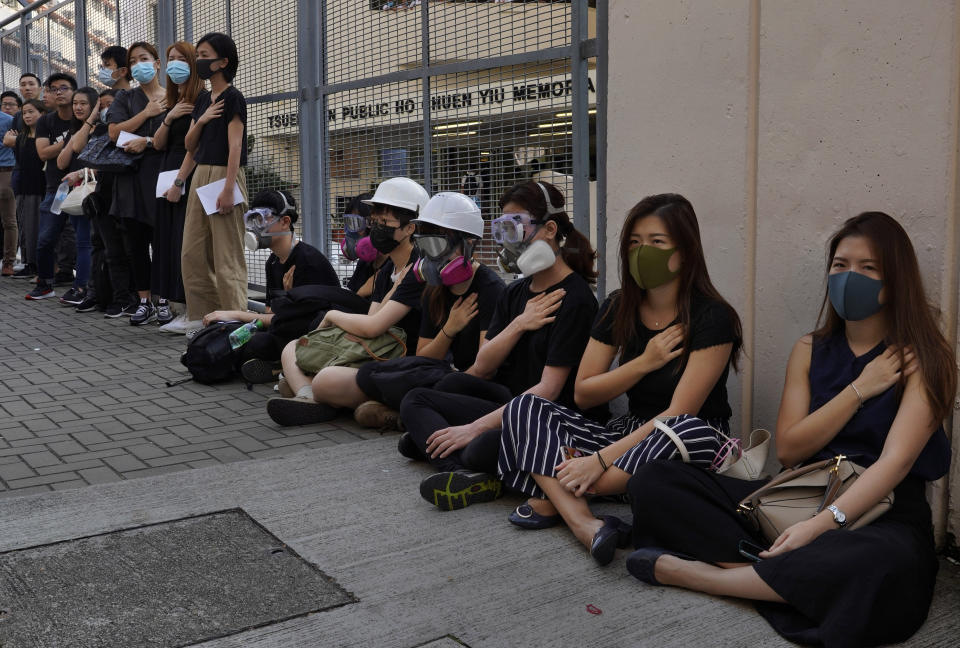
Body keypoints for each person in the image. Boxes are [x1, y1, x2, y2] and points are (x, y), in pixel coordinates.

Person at [625, 212, 956, 648]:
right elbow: (792, 447)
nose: (849, 277)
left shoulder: (925, 357)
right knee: (654, 480)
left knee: (881, 566)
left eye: (867, 268)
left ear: (895, 281)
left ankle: (707, 575)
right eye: (840, 265)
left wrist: (822, 525)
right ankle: (784, 575)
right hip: (795, 497)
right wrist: (860, 389)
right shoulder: (810, 349)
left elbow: (895, 463)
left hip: (881, 512)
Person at [497, 194, 742, 565]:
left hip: (685, 437)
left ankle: (558, 492)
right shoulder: (618, 305)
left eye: (657, 242)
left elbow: (680, 412)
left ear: (686, 249)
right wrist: (644, 362)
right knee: (524, 407)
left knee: (682, 430)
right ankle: (585, 524)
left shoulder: (712, 317)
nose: (643, 252)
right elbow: (583, 394)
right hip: (628, 432)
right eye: (634, 243)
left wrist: (597, 460)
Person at [402, 180, 600, 512]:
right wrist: (520, 323)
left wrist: (473, 428)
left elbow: (549, 390)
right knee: (418, 397)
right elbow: (484, 365)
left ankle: (445, 454)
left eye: (515, 226)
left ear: (550, 229)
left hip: (546, 419)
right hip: (507, 402)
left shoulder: (576, 299)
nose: (509, 239)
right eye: (502, 228)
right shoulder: (515, 292)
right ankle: (463, 469)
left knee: (477, 445)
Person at [266, 176, 430, 426]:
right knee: (293, 348)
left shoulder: (418, 269)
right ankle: (311, 398)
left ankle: (315, 392)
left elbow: (373, 326)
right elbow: (371, 319)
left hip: (399, 358)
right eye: (374, 222)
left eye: (384, 222)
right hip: (375, 349)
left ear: (410, 228)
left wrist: (332, 317)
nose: (375, 229)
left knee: (325, 379)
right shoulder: (388, 268)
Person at [351, 192, 506, 429]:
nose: (434, 256)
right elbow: (424, 356)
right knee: (369, 373)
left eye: (439, 244)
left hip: (475, 382)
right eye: (427, 245)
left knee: (445, 385)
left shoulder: (490, 288)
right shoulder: (435, 288)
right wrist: (449, 329)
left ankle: (411, 409)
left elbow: (486, 369)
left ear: (468, 243)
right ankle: (412, 409)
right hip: (444, 372)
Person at [201, 189, 339, 380]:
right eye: (253, 219)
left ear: (285, 221)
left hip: (314, 337)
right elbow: (271, 314)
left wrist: (235, 314)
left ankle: (282, 366)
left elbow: (303, 321)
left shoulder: (308, 261)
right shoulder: (273, 262)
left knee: (256, 344)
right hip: (284, 329)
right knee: (233, 338)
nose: (257, 227)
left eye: (263, 219)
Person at [180, 32, 248, 333]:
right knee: (192, 251)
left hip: (224, 175)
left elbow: (235, 146)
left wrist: (228, 188)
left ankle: (235, 320)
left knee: (227, 253)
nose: (199, 60)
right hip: (200, 176)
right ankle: (204, 317)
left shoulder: (234, 97)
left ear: (223, 61)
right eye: (198, 55)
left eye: (204, 55)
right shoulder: (204, 100)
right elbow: (189, 143)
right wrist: (205, 117)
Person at [106, 41, 168, 325]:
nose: (139, 65)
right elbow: (114, 133)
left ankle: (165, 298)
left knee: (165, 240)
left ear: (157, 63)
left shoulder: (174, 97)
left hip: (162, 176)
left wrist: (147, 141)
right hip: (130, 180)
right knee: (136, 243)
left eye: (144, 58)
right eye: (133, 61)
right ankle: (144, 301)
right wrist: (147, 113)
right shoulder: (125, 99)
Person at [153, 41, 201, 330]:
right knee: (167, 243)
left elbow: (195, 149)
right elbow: (158, 144)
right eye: (170, 59)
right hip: (166, 177)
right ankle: (174, 307)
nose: (174, 64)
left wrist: (179, 182)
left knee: (186, 243)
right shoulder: (170, 103)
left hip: (185, 178)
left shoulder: (201, 100)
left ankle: (191, 310)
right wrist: (169, 118)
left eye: (181, 58)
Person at [26, 72, 77, 300]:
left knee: (86, 241)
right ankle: (45, 283)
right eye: (54, 88)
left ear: (74, 91)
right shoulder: (46, 121)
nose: (59, 92)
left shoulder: (82, 117)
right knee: (46, 238)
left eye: (64, 88)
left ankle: (84, 287)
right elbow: (43, 153)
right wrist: (72, 142)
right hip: (58, 189)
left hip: (85, 186)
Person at [50, 87, 101, 306]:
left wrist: (89, 123)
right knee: (82, 242)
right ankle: (80, 286)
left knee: (89, 243)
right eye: (75, 104)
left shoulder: (99, 129)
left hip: (93, 192)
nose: (78, 108)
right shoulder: (76, 131)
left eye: (84, 104)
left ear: (94, 106)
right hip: (75, 193)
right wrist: (76, 132)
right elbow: (61, 162)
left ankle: (85, 287)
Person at [6, 99, 45, 281]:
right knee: (24, 225)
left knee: (36, 226)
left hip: (38, 187)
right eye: (24, 113)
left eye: (31, 112)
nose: (27, 116)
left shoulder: (44, 137)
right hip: (22, 186)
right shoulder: (21, 137)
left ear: (42, 114)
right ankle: (29, 263)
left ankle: (38, 264)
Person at [0, 92, 15, 276]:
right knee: (9, 220)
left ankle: (9, 262)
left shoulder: (9, 120)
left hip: (6, 170)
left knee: (9, 220)